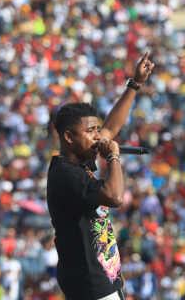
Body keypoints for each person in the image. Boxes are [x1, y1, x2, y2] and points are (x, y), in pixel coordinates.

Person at [47, 51, 155, 300]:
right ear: (69, 137)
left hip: (101, 280)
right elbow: (115, 196)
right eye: (90, 131)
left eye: (97, 129)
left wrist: (134, 84)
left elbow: (111, 128)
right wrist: (113, 157)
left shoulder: (78, 162)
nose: (98, 136)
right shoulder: (66, 173)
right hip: (90, 283)